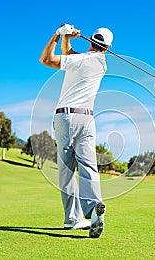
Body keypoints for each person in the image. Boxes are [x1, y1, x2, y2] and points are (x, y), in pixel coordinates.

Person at [39, 24, 113, 238]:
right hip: (88, 119)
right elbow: (70, 56)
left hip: (66, 118)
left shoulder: (79, 61)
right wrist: (67, 39)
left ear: (90, 40)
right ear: (106, 48)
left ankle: (72, 219)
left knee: (67, 169)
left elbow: (46, 60)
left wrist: (57, 34)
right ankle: (93, 208)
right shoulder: (100, 63)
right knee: (89, 166)